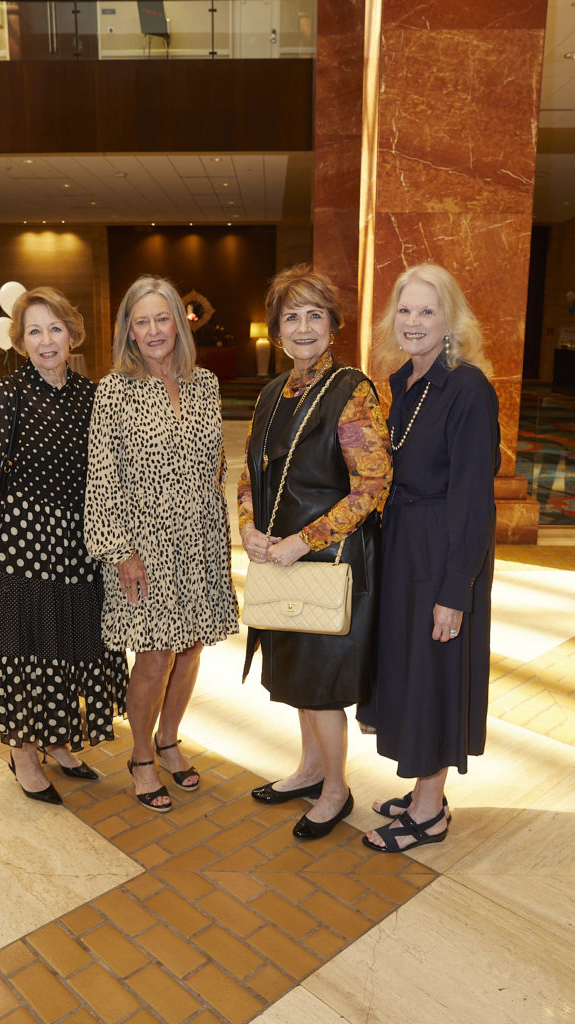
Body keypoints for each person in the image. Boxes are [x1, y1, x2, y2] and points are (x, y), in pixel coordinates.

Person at [237, 264, 392, 840]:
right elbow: (251, 473)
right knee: (298, 675)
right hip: (280, 556)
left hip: (330, 560)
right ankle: (307, 770)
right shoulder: (273, 393)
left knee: (322, 685)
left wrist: (305, 541)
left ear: (333, 325)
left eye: (314, 316)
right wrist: (249, 528)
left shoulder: (351, 391)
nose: (303, 328)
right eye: (291, 317)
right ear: (278, 331)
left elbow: (372, 486)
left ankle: (335, 790)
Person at [0, 286, 127, 805]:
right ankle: (24, 752)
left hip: (79, 549)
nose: (47, 340)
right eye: (34, 331)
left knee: (72, 644)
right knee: (26, 648)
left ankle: (56, 738)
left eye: (55, 328)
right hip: (21, 548)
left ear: (72, 334)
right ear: (20, 341)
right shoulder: (9, 393)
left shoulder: (90, 394)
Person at [359, 263, 500, 853]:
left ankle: (428, 814)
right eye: (405, 310)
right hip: (403, 546)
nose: (413, 322)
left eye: (427, 311)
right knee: (410, 671)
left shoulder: (467, 387)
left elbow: (473, 498)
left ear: (450, 321)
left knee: (435, 673)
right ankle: (425, 791)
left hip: (441, 549)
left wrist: (454, 590)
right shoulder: (405, 381)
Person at [84, 275, 238, 813]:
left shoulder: (206, 384)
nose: (152, 330)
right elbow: (101, 478)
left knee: (191, 645)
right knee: (153, 654)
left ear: (180, 321)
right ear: (128, 329)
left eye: (161, 318)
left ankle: (170, 739)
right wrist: (121, 551)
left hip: (200, 540)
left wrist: (221, 536)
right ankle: (142, 755)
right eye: (141, 321)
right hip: (143, 546)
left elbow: (215, 465)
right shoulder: (113, 390)